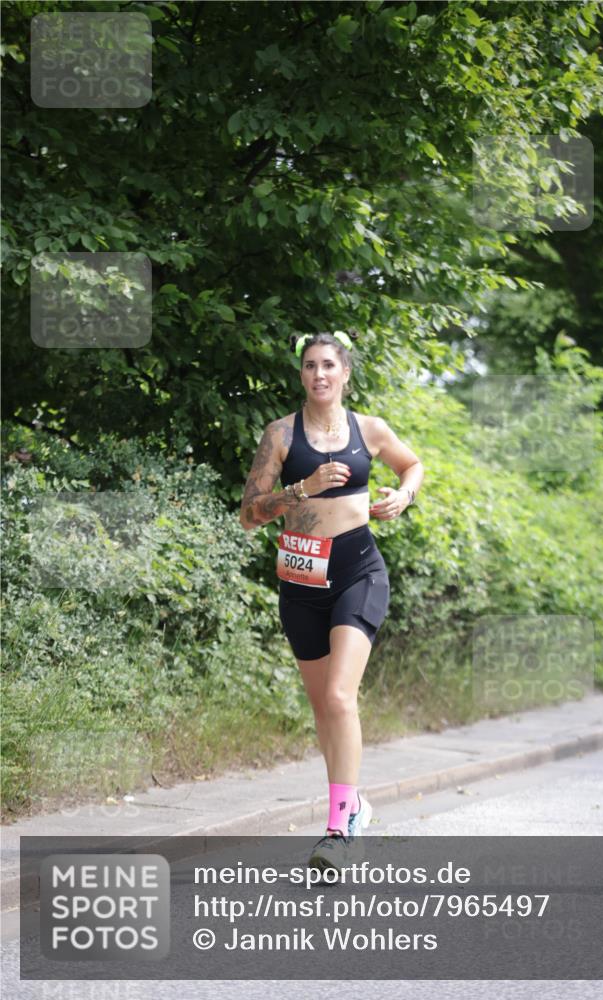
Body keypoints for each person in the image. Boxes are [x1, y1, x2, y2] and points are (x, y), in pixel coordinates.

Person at [239, 330, 424, 872]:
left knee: (341, 698)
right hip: (299, 580)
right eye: (309, 366)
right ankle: (356, 804)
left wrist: (403, 496)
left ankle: (339, 829)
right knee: (323, 708)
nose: (319, 374)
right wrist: (304, 488)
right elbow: (249, 513)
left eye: (328, 365)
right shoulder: (279, 436)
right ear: (301, 375)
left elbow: (412, 465)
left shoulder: (370, 429)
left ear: (345, 374)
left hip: (356, 571)